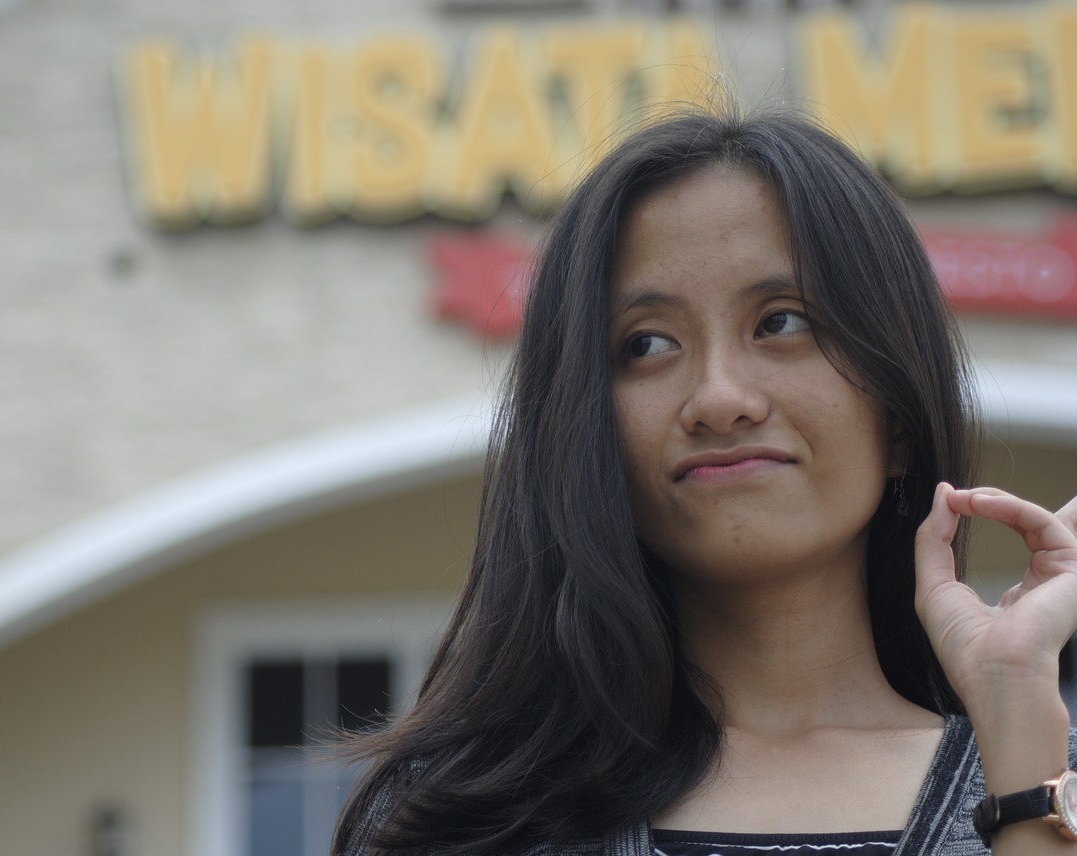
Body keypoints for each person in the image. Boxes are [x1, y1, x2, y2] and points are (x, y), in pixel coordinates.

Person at [332, 107, 1077, 855]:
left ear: (902, 425)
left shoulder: (1047, 788)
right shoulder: (457, 819)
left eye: (782, 323)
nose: (719, 399)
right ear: (584, 432)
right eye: (647, 344)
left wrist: (1020, 754)